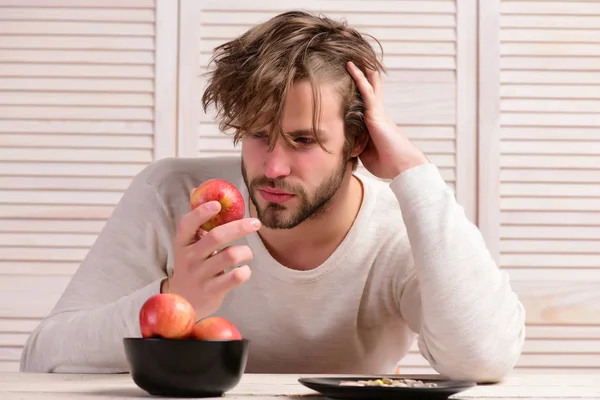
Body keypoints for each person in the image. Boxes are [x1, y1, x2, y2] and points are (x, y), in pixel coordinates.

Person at [20, 10, 525, 381]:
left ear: (356, 141)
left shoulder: (403, 224)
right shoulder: (173, 195)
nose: (273, 168)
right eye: (259, 135)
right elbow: (44, 358)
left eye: (304, 141)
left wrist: (415, 173)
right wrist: (172, 301)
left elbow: (483, 357)